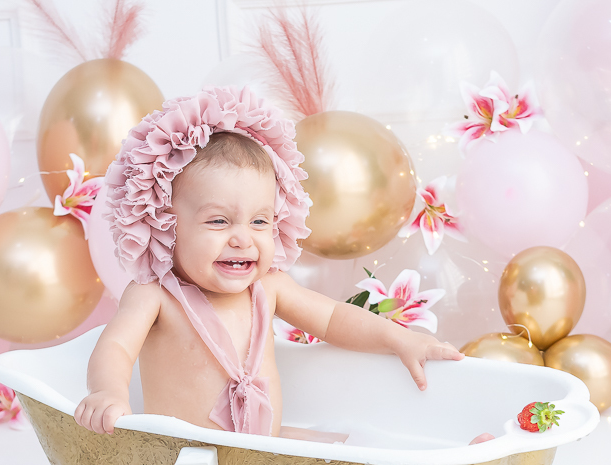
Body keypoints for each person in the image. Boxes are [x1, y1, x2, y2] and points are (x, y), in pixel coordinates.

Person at [74, 86, 466, 440]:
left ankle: (444, 459)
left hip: (265, 450)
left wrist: (399, 338)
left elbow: (334, 319)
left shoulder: (269, 286)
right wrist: (108, 391)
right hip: (191, 463)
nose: (243, 238)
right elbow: (117, 348)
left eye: (260, 221)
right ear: (164, 224)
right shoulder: (154, 295)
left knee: (354, 450)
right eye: (218, 221)